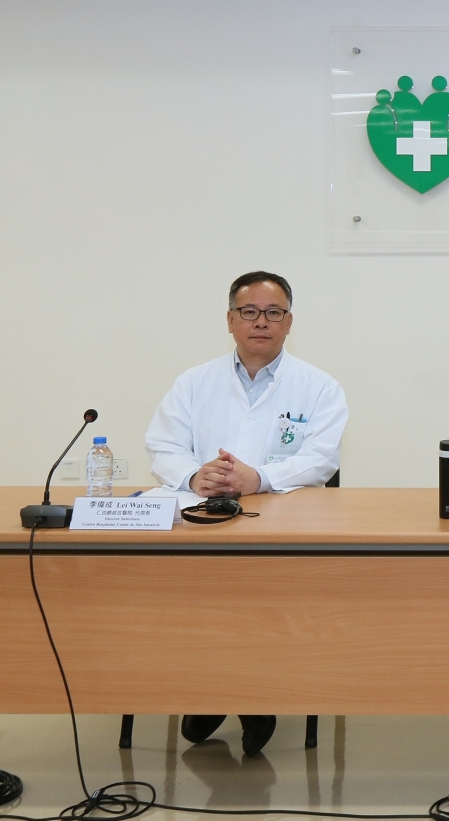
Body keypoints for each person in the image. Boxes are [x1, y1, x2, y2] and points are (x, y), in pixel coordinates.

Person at [145, 270, 348, 756]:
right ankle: (214, 688)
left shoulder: (319, 387)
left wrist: (259, 478)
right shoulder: (193, 382)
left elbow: (322, 459)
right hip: (201, 521)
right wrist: (195, 475)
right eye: (249, 312)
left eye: (273, 312)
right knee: (197, 597)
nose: (261, 322)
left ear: (289, 322)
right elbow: (163, 445)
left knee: (259, 597)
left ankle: (253, 697)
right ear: (230, 319)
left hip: (282, 525)